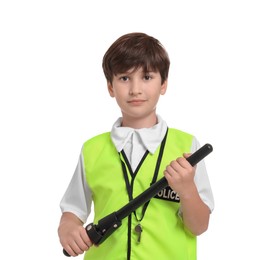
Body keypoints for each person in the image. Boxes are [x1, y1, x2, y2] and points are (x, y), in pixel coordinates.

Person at [58, 32, 214, 260]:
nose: (135, 89)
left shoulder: (186, 146)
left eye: (147, 77)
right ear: (110, 87)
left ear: (164, 84)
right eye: (124, 78)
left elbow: (199, 226)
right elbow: (73, 210)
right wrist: (67, 228)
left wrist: (187, 190)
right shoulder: (92, 149)